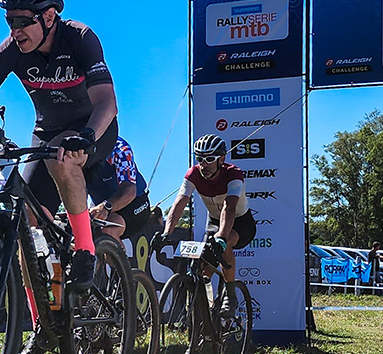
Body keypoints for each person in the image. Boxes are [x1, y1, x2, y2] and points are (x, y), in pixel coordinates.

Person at [0, 0, 119, 354]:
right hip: (47, 133)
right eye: (10, 22)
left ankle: (86, 249)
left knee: (62, 158)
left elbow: (107, 103)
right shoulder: (14, 49)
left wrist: (86, 136)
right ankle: (43, 327)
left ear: (49, 16)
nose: (16, 31)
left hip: (94, 129)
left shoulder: (79, 37)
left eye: (23, 21)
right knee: (27, 227)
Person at [151, 134, 256, 318]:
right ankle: (204, 314)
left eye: (209, 159)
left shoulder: (233, 173)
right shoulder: (193, 174)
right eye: (200, 159)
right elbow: (179, 203)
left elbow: (229, 207)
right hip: (214, 222)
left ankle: (230, 295)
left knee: (225, 245)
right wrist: (166, 232)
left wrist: (222, 237)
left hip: (239, 222)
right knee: (201, 269)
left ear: (221, 159)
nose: (204, 164)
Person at [86, 136, 151, 243]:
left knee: (107, 231)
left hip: (134, 202)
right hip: (102, 205)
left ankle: (116, 251)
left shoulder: (120, 149)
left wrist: (106, 207)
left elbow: (129, 190)